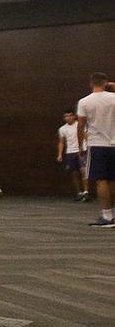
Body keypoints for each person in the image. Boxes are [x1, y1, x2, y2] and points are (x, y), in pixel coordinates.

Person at [77, 73, 115, 228]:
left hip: (98, 145)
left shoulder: (85, 101)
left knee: (101, 181)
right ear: (106, 83)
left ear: (90, 84)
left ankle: (107, 216)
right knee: (112, 180)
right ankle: (112, 214)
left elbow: (80, 126)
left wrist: (81, 146)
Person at [56, 109, 88, 201]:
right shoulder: (62, 129)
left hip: (82, 151)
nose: (68, 118)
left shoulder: (80, 125)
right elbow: (61, 142)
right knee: (74, 173)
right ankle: (79, 192)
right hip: (70, 152)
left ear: (74, 116)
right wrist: (60, 154)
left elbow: (86, 136)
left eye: (70, 116)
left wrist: (84, 147)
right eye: (66, 116)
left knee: (83, 171)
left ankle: (86, 192)